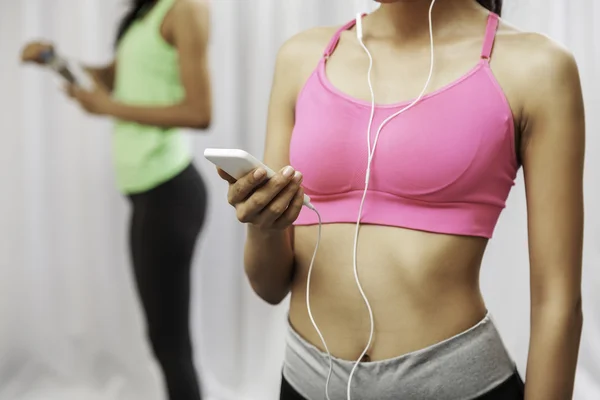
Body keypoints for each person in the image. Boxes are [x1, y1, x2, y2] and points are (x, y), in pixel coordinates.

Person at [216, 0, 585, 399]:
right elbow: (268, 286)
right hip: (307, 384)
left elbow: (557, 304)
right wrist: (263, 226)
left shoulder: (535, 67)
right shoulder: (302, 57)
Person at [20, 1, 211, 399]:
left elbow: (199, 111)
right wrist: (54, 60)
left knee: (169, 341)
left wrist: (108, 108)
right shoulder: (145, 13)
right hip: (147, 193)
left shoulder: (186, 8)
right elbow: (111, 78)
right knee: (164, 338)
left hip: (169, 190)